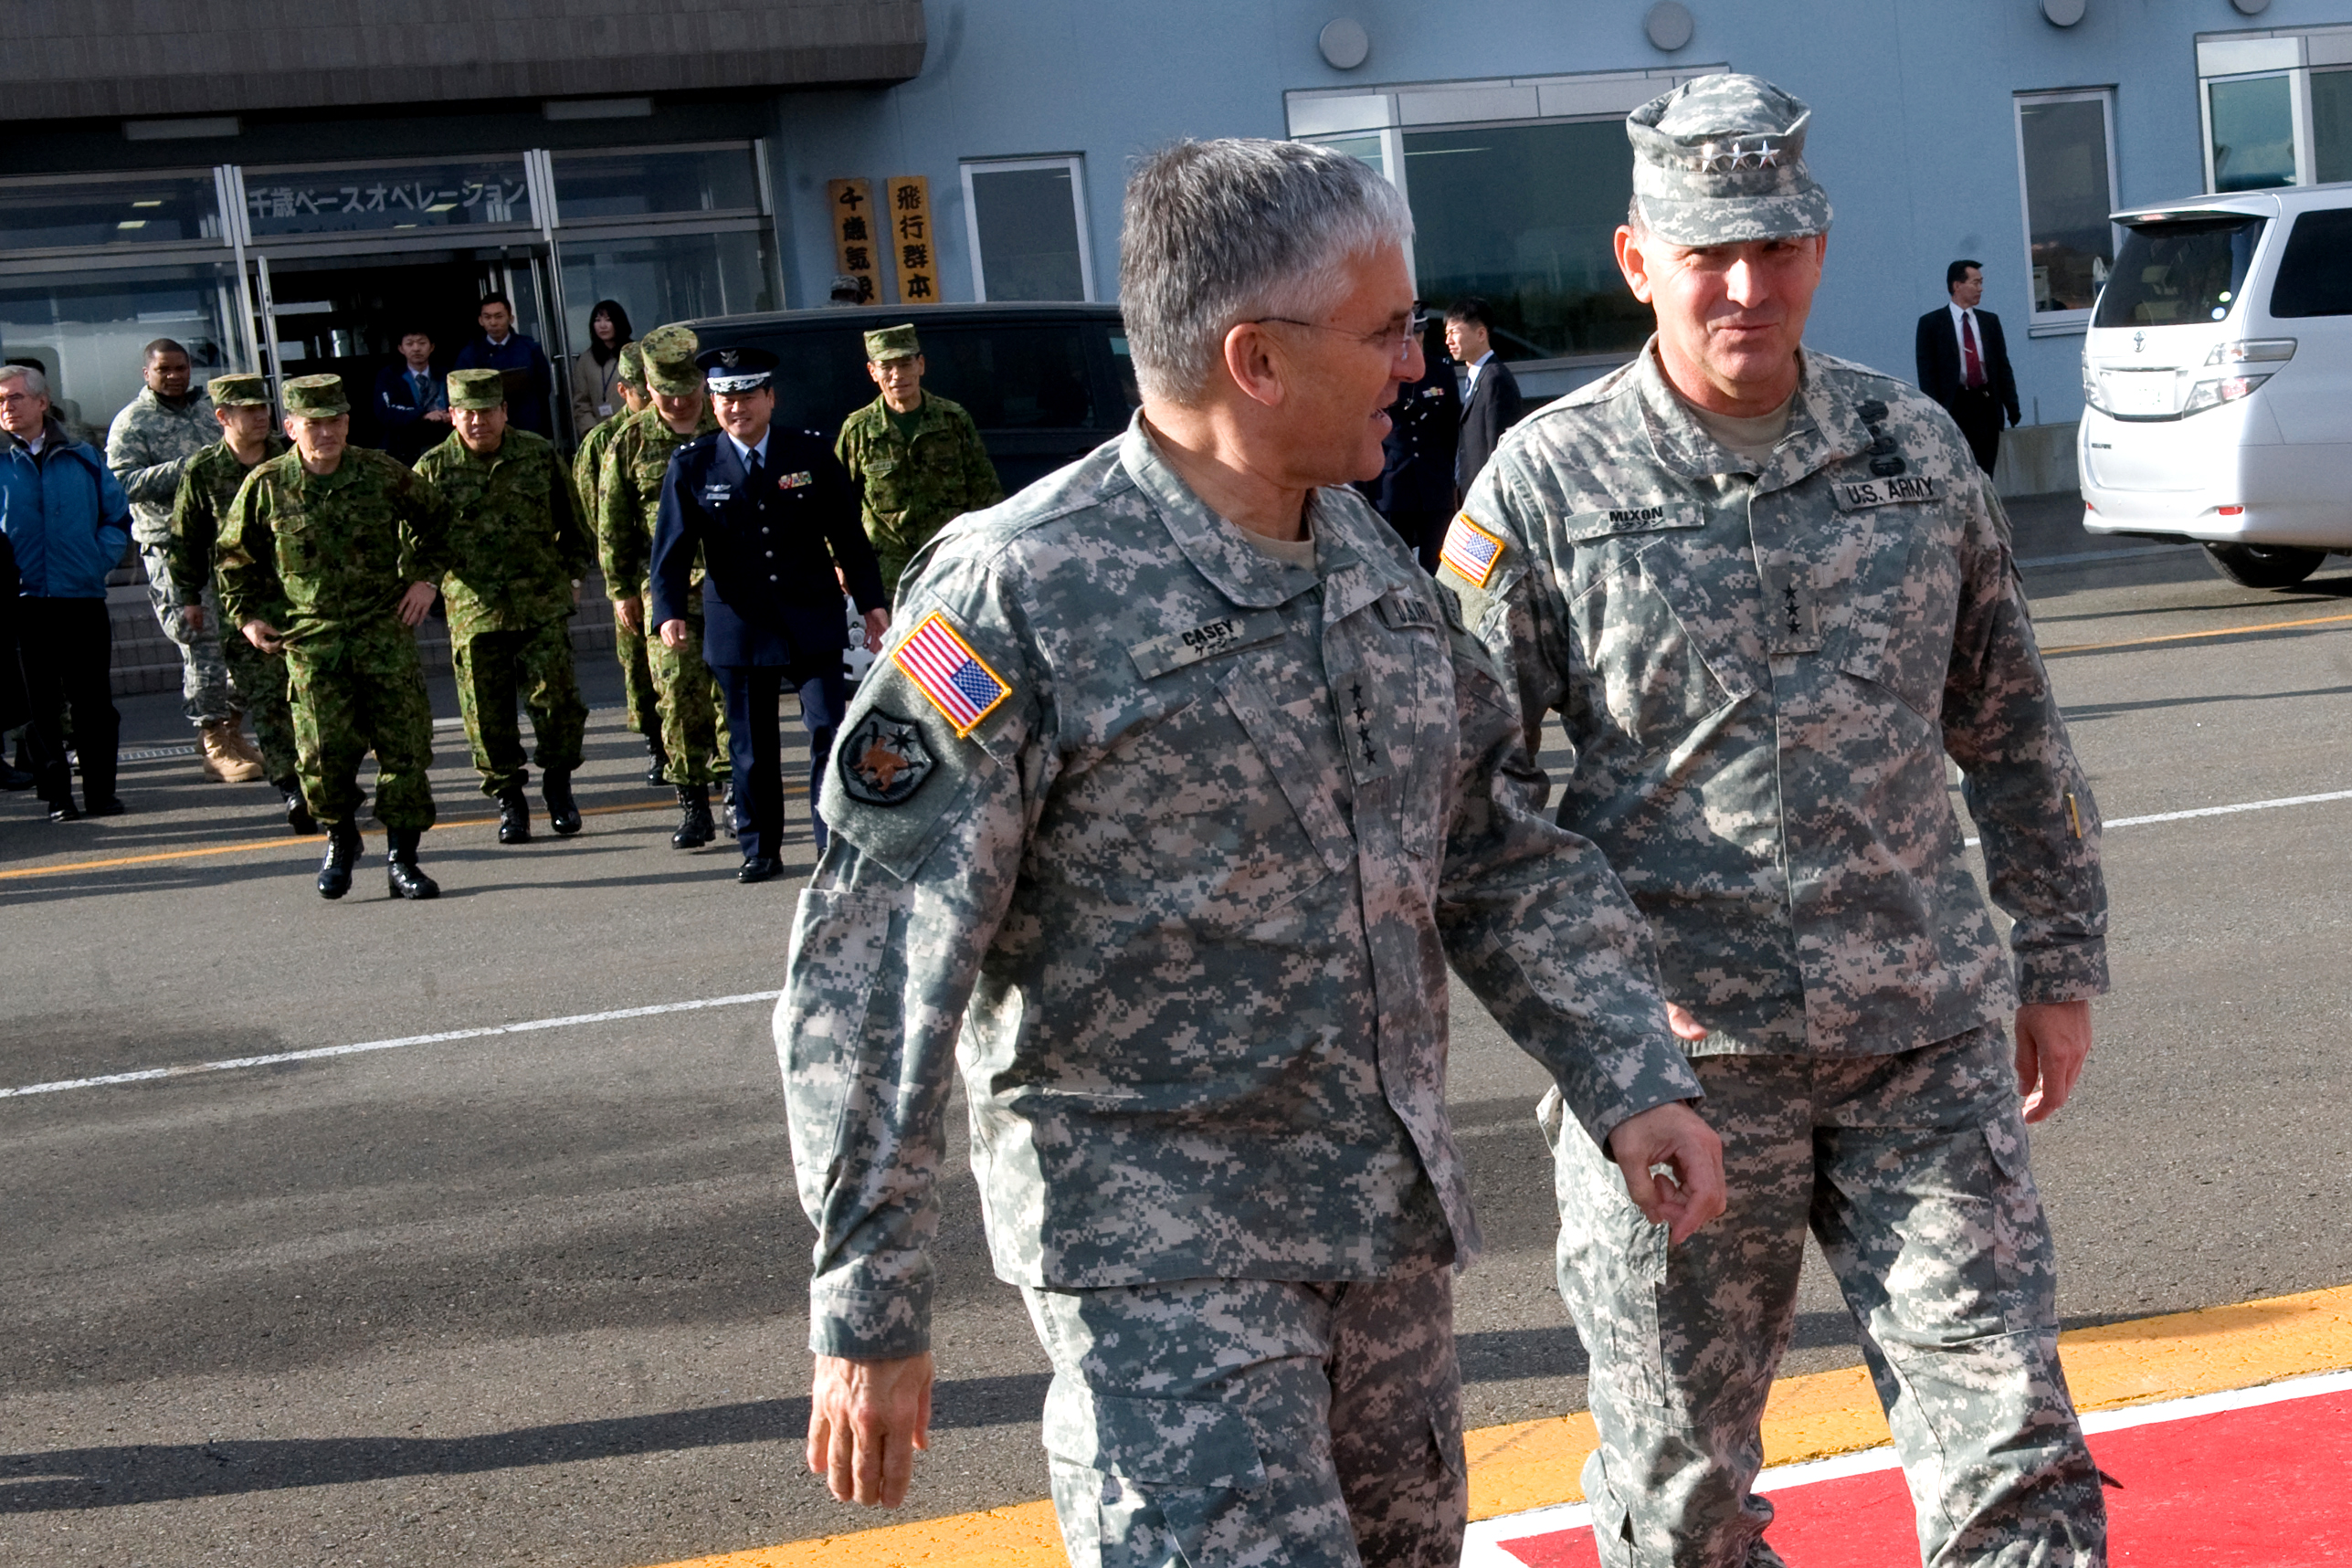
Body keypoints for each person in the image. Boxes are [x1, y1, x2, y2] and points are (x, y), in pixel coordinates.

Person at [778, 137, 1724, 1564]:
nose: (1414, 363)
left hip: (1380, 1249)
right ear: (1255, 362)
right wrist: (867, 1299)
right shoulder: (1019, 595)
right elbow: (870, 970)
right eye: (1387, 328)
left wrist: (1626, 1068)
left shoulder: (1362, 561)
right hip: (1159, 1272)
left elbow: (1488, 847)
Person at [1444, 75, 2112, 1567]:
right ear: (1637, 260)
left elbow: (2010, 726)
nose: (1747, 286)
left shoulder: (1911, 451)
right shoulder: (1544, 489)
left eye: (1778, 247)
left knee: (2017, 1457)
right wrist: (1607, 1042)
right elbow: (1467, 809)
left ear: (1818, 243)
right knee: (1682, 1505)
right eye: (1706, 255)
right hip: (1682, 1083)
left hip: (1925, 1044)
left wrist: (2058, 957)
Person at [650, 346, 888, 881]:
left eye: (747, 397)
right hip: (741, 624)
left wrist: (872, 605)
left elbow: (849, 536)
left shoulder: (809, 453)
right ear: (713, 405)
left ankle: (834, 841)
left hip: (811, 616)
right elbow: (670, 549)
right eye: (725, 399)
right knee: (752, 748)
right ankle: (761, 849)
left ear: (770, 398)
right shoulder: (693, 464)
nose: (737, 409)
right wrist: (667, 611)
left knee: (829, 728)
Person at [217, 374, 451, 901]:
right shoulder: (268, 484)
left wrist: (424, 579)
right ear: (291, 426)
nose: (326, 433)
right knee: (323, 756)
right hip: (313, 644)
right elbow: (234, 558)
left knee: (404, 752)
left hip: (383, 635)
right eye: (314, 423)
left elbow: (439, 522)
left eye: (336, 421)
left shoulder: (380, 473)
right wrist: (248, 618)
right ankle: (341, 839)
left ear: (348, 423)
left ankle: (402, 858)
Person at [413, 368, 591, 845]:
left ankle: (559, 788)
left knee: (557, 702)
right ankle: (510, 801)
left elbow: (575, 525)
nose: (478, 421)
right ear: (451, 416)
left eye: (487, 411)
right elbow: (412, 543)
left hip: (541, 603)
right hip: (475, 610)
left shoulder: (537, 454)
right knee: (487, 715)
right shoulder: (431, 470)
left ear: (504, 412)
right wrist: (426, 584)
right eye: (467, 413)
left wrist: (574, 577)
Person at [106, 338, 267, 784]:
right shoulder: (132, 422)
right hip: (174, 551)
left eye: (180, 367)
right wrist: (187, 467)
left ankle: (231, 730)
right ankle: (213, 740)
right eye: (164, 370)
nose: (174, 376)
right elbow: (121, 482)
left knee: (245, 644)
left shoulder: (209, 411)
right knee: (202, 648)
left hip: (231, 548)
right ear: (147, 374)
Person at [166, 374, 312, 835]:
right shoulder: (204, 470)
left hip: (302, 597)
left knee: (312, 700)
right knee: (268, 700)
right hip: (243, 605)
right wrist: (188, 597)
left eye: (262, 408)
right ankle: (292, 788)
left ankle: (322, 782)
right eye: (247, 410)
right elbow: (186, 540)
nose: (259, 416)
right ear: (222, 417)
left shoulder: (292, 458)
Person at [600, 323, 729, 848]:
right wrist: (621, 589)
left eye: (689, 393)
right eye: (667, 395)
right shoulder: (629, 441)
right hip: (667, 591)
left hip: (731, 586)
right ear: (647, 391)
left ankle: (737, 791)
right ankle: (693, 803)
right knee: (677, 696)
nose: (679, 404)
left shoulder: (728, 427)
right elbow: (614, 522)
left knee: (733, 694)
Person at [0, 363, 131, 821]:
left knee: (93, 701)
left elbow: (116, 519)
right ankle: (58, 795)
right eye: (0, 402)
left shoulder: (83, 456)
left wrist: (97, 560)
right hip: (23, 603)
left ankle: (101, 792)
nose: (7, 408)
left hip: (81, 597)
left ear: (41, 401)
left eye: (15, 397)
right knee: (39, 708)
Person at [833, 322, 1002, 595]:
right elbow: (836, 504)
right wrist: (838, 562)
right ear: (873, 372)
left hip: (949, 565)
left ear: (921, 365)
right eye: (887, 367)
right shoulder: (858, 430)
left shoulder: (952, 420)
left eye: (905, 364)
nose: (897, 375)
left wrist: (989, 551)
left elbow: (985, 492)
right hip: (888, 574)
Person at [574, 339, 667, 785]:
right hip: (633, 574)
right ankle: (656, 743)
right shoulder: (603, 442)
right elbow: (595, 514)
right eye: (639, 391)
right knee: (638, 666)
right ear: (622, 390)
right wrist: (617, 581)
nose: (648, 399)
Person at [1355, 314, 1459, 572]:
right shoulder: (1380, 371)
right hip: (1393, 484)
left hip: (1434, 484)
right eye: (1409, 335)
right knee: (1395, 563)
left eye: (1419, 335)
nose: (1415, 342)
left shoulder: (1440, 371)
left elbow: (1451, 428)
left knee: (1440, 563)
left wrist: (1448, 474)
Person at [1917, 258, 2022, 477]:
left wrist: (2012, 405)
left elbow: (2002, 367)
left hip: (1985, 403)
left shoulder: (1989, 322)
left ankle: (1984, 509)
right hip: (1955, 404)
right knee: (1959, 469)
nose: (1980, 289)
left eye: (1981, 283)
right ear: (1957, 286)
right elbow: (1927, 374)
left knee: (1985, 470)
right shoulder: (1932, 324)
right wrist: (1935, 413)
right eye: (1975, 283)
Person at [1447, 298, 1524, 500]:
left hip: (1488, 498)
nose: (1448, 341)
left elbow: (1498, 448)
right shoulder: (1478, 378)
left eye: (1454, 332)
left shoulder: (1495, 379)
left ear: (1481, 333)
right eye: (1447, 334)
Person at [454, 293, 555, 440]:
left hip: (526, 421)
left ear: (511, 318)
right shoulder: (470, 354)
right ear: (480, 320)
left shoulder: (530, 348)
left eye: (499, 316)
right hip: (486, 426)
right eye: (487, 317)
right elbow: (461, 393)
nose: (493, 322)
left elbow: (544, 387)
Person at [374, 329, 449, 465]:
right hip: (403, 449)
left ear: (432, 347)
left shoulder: (446, 374)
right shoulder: (389, 376)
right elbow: (386, 411)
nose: (416, 349)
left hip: (443, 444)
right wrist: (422, 415)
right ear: (401, 349)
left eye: (422, 343)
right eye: (410, 344)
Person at [568, 300, 634, 436]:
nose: (602, 326)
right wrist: (592, 432)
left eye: (608, 320)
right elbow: (581, 403)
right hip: (601, 432)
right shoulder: (586, 360)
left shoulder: (634, 353)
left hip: (634, 427)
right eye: (597, 320)